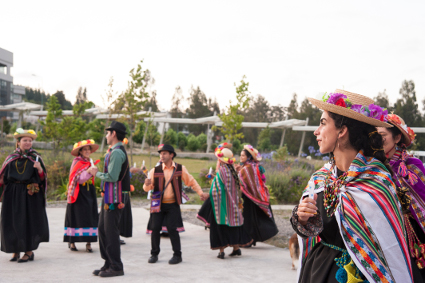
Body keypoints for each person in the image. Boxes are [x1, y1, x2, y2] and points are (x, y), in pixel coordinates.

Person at [291, 90, 413, 282]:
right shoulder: (320, 179)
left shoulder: (376, 182)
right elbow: (311, 230)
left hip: (364, 274)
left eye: (323, 123)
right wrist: (302, 219)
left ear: (342, 131)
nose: (316, 131)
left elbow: (389, 250)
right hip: (318, 269)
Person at [143, 144, 209, 265]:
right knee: (155, 228)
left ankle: (177, 255)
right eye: (160, 153)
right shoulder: (155, 170)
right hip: (158, 204)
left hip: (173, 204)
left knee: (172, 229)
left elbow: (191, 181)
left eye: (164, 153)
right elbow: (147, 189)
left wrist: (200, 192)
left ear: (171, 155)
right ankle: (154, 254)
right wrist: (147, 184)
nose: (161, 156)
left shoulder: (180, 169)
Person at [378, 114, 425, 281]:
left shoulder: (412, 167)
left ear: (397, 137)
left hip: (413, 238)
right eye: (374, 135)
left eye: (382, 135)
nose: (378, 140)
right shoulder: (373, 168)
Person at [0, 128, 49, 263]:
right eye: (25, 140)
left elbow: (42, 178)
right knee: (13, 221)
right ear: (18, 142)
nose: (28, 143)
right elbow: (3, 176)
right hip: (12, 193)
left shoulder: (36, 157)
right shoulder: (11, 158)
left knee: (28, 222)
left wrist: (39, 168)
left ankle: (28, 252)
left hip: (29, 194)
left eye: (30, 140)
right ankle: (15, 250)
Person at [88, 121, 130, 278]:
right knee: (103, 229)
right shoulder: (114, 151)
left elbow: (112, 177)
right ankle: (108, 263)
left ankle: (116, 266)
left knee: (110, 231)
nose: (106, 135)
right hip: (110, 196)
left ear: (113, 134)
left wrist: (95, 173)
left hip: (116, 197)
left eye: (107, 133)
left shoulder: (117, 153)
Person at [208, 143, 252, 259]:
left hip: (221, 204)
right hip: (232, 204)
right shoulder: (232, 171)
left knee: (220, 226)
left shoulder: (222, 170)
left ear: (221, 160)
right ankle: (236, 248)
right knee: (233, 226)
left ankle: (221, 251)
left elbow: (216, 190)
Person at [236, 144, 278, 246]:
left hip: (250, 197)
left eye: (243, 156)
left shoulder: (247, 168)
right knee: (253, 219)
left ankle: (248, 240)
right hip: (256, 196)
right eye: (240, 155)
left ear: (249, 157)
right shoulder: (253, 166)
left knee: (248, 219)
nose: (241, 157)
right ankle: (250, 240)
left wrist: (238, 172)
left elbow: (241, 180)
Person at [64, 139, 100, 252]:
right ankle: (72, 241)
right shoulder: (77, 162)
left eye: (88, 149)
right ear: (80, 151)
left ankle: (89, 243)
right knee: (76, 216)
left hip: (89, 191)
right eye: (85, 149)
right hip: (78, 192)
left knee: (90, 215)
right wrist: (89, 171)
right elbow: (77, 180)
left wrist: (92, 171)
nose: (87, 151)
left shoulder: (91, 162)